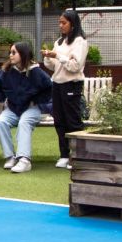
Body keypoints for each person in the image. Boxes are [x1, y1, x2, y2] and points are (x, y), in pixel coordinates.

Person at [0, 41, 53, 173]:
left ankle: (24, 160)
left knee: (24, 122)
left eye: (14, 52)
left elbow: (49, 87)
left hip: (32, 109)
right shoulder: (6, 71)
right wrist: (2, 98)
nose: (10, 55)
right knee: (1, 122)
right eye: (10, 52)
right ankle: (10, 157)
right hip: (13, 109)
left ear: (23, 54)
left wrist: (37, 100)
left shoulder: (36, 71)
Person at [41, 9, 88, 169]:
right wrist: (48, 57)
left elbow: (75, 66)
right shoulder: (59, 42)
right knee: (59, 121)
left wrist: (58, 56)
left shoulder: (80, 42)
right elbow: (54, 67)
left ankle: (77, 156)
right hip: (57, 84)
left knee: (72, 121)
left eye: (64, 23)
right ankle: (64, 155)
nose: (60, 26)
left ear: (72, 24)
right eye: (59, 22)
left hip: (72, 85)